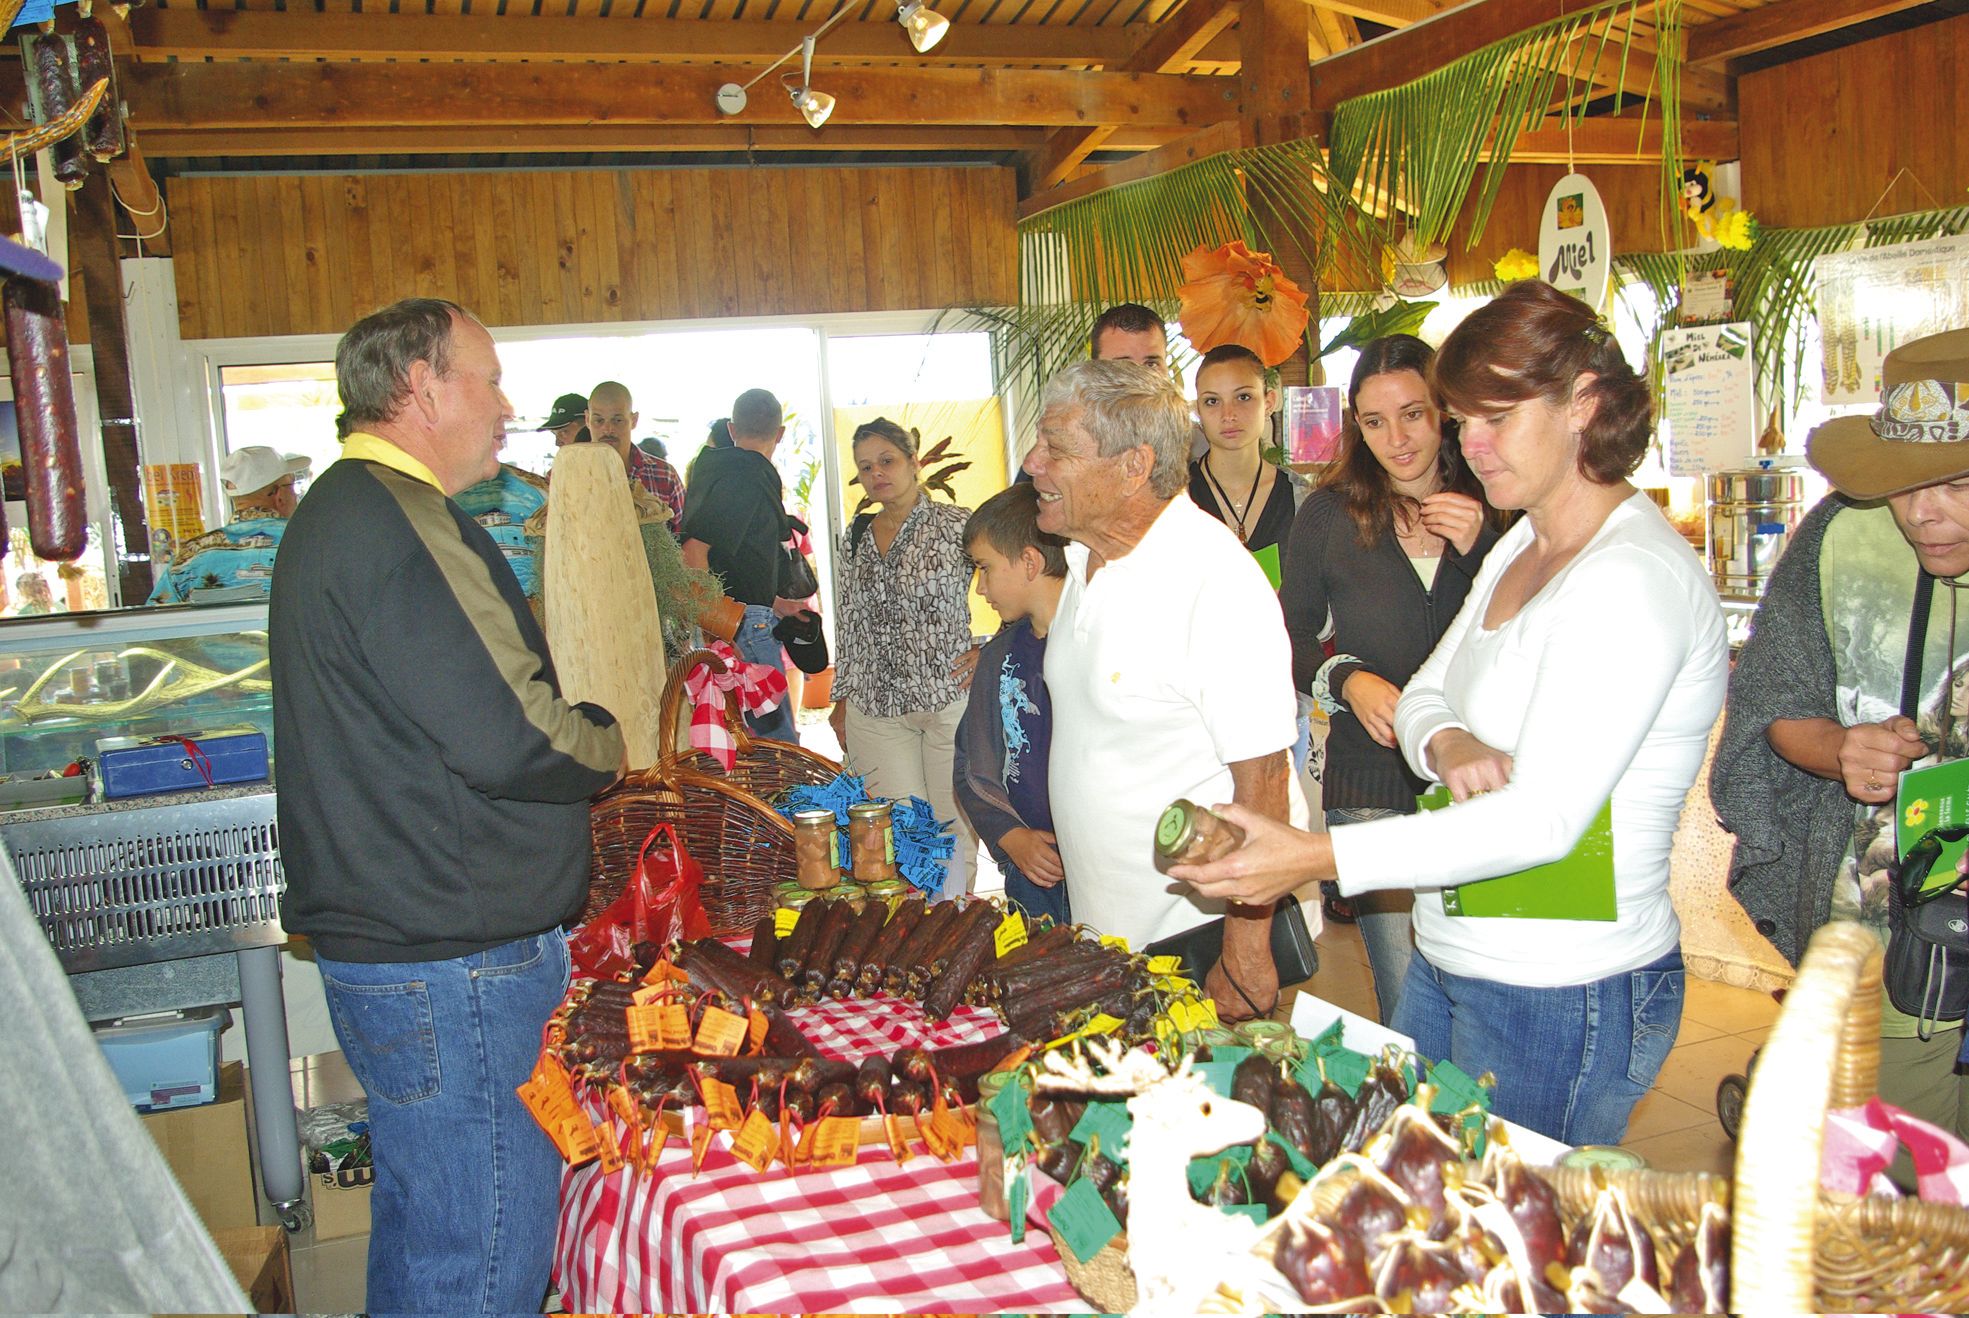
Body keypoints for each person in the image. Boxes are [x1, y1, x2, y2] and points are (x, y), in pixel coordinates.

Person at [1169, 280, 1728, 1146]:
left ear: (1582, 404)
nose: (1468, 443)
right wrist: (1447, 734)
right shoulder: (1525, 539)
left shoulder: (1630, 578)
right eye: (1461, 420)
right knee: (1423, 1196)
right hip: (1452, 949)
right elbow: (1426, 686)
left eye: (1491, 420)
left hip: (1561, 983)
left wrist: (1314, 856)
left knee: (1513, 1254)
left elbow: (1540, 820)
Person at [270, 298, 625, 1313]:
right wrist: (607, 738)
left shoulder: (340, 513)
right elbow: (513, 731)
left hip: (410, 945)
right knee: (478, 1258)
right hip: (453, 959)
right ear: (421, 387)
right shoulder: (397, 521)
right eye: (489, 376)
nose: (507, 405)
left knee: (437, 1236)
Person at [1712, 328, 1969, 1142]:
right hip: (1899, 935)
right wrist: (1838, 748)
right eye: (1899, 487)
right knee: (1911, 1177)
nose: (1921, 513)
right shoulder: (1836, 537)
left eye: (1955, 485)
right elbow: (1771, 703)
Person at [1026, 359, 1309, 1020]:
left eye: (1057, 449)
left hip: (1192, 946)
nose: (1033, 462)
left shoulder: (1211, 581)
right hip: (1111, 941)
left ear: (1132, 466)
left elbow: (1264, 782)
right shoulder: (1084, 559)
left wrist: (1245, 953)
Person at [1279, 335, 1503, 1024]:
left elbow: (1539, 628)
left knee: (1488, 991)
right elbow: (1288, 641)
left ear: (1446, 412)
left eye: (1412, 414)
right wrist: (1346, 679)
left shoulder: (1501, 502)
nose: (1396, 439)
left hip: (1482, 776)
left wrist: (1482, 548)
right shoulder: (1327, 514)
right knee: (1407, 999)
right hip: (1370, 778)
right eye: (1373, 422)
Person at [831, 418, 981, 897]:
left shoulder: (959, 526)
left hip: (947, 700)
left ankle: (955, 928)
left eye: (887, 461)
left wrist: (994, 645)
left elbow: (1024, 577)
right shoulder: (854, 536)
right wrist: (843, 697)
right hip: (876, 710)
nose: (877, 474)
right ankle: (911, 939)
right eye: (866, 467)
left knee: (953, 828)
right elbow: (848, 620)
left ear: (914, 462)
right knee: (896, 832)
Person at [955, 484, 1070, 923]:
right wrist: (1010, 837)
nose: (980, 588)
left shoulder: (1093, 648)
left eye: (985, 568)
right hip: (1029, 870)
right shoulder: (999, 658)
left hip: (1099, 868)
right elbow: (971, 763)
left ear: (1029, 561)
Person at [677, 388, 803, 742]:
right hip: (739, 625)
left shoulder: (725, 472)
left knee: (755, 744)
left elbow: (735, 555)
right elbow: (694, 554)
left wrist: (776, 603)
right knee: (778, 749)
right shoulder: (743, 477)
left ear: (732, 430)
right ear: (780, 434)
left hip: (742, 619)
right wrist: (722, 635)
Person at [146, 446, 310, 604]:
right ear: (279, 495)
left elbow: (155, 619)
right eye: (291, 485)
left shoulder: (192, 553)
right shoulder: (306, 543)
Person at [1188, 344, 1300, 560]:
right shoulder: (1174, 496)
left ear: (1269, 403)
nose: (1228, 415)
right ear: (1198, 411)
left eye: (1243, 397)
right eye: (1212, 401)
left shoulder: (1301, 498)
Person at [587, 380, 684, 525]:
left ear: (634, 420)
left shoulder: (665, 476)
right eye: (599, 420)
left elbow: (682, 538)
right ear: (587, 419)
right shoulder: (563, 475)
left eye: (617, 420)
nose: (607, 429)